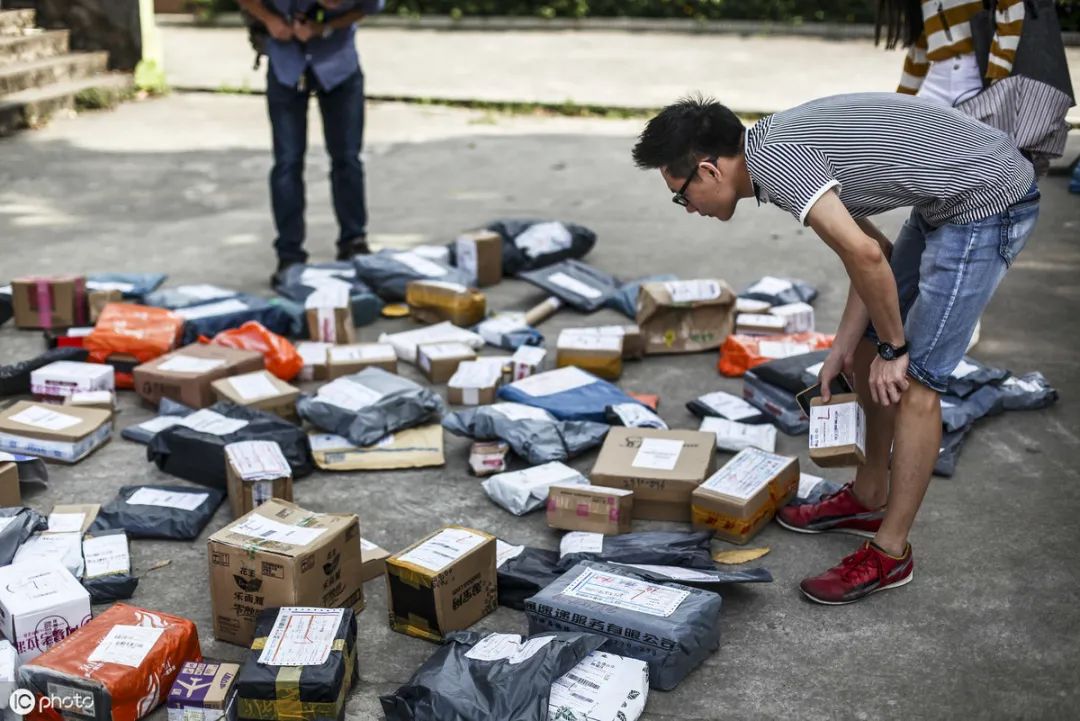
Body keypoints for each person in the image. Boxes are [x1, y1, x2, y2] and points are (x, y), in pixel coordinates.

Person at [633, 93, 1039, 605]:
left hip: (987, 200)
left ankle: (891, 553)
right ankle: (869, 496)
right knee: (866, 353)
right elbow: (872, 254)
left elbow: (867, 256)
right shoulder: (768, 152)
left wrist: (895, 347)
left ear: (710, 171)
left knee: (917, 382)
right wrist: (844, 347)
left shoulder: (779, 165)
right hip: (947, 197)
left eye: (682, 196)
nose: (690, 209)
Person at [236, 0, 384, 287]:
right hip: (286, 66)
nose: (336, 3)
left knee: (347, 158)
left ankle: (354, 242)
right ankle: (289, 254)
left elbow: (370, 7)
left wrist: (325, 26)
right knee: (287, 162)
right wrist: (270, 20)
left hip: (339, 65)